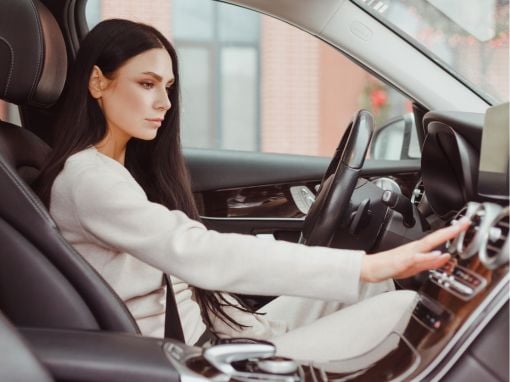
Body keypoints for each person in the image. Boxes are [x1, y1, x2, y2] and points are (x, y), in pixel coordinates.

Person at [34, 19, 469, 360]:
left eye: (167, 87)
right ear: (97, 83)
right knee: (406, 305)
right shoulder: (88, 179)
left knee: (376, 291)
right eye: (146, 84)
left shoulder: (115, 169)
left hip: (224, 331)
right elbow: (198, 253)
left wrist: (364, 275)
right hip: (196, 359)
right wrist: (369, 265)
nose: (165, 103)